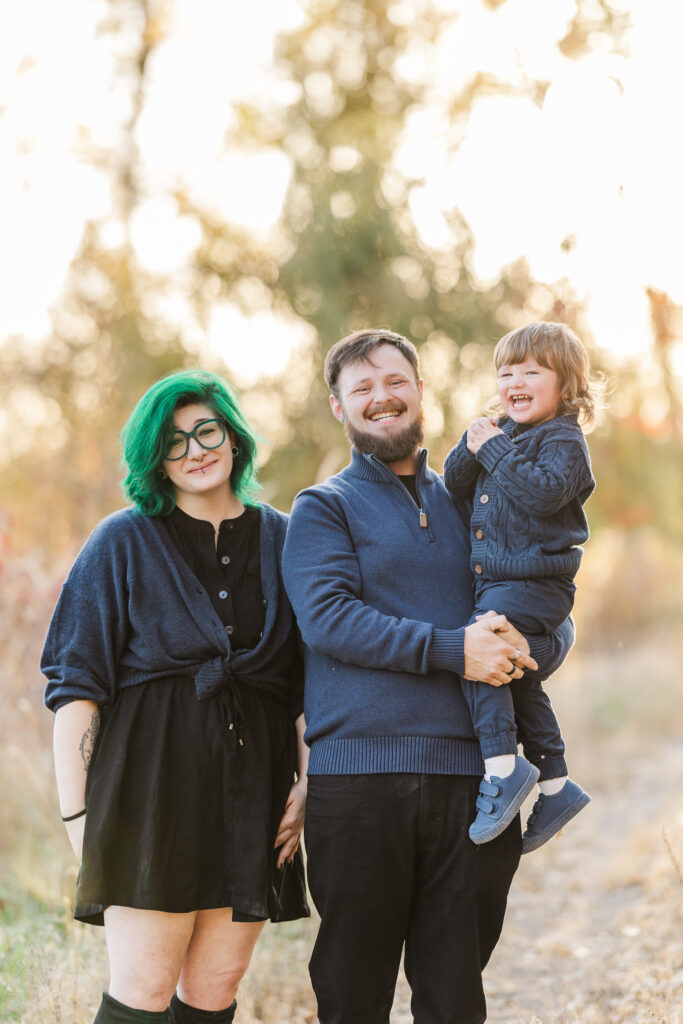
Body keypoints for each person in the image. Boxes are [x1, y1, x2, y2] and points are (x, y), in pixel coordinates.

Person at [281, 329, 575, 1024]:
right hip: (357, 788)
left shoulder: (477, 498)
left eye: (394, 381)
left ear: (419, 389)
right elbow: (328, 621)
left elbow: (546, 599)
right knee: (352, 997)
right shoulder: (322, 507)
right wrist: (455, 650)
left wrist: (533, 646)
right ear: (339, 407)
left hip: (475, 788)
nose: (381, 398)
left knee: (453, 998)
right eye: (362, 389)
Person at [41, 369, 309, 1024]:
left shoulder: (285, 539)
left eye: (206, 430)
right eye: (173, 441)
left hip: (255, 801)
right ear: (154, 458)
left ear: (234, 436)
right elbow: (76, 689)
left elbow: (306, 682)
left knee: (212, 998)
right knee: (142, 997)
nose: (194, 450)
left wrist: (310, 783)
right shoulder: (120, 543)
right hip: (147, 803)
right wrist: (81, 825)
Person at [444, 321, 599, 852]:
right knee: (515, 672)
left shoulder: (565, 440)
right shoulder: (502, 435)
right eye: (507, 372)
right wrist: (472, 443)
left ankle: (502, 767)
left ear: (566, 385)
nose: (516, 381)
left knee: (479, 650)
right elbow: (454, 484)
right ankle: (555, 785)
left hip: (536, 584)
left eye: (532, 371)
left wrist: (494, 452)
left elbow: (543, 495)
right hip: (501, 586)